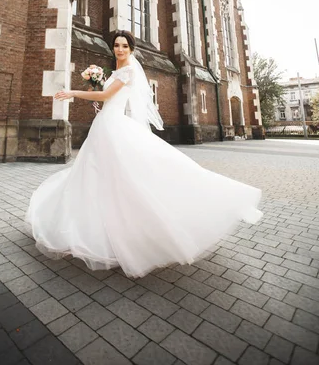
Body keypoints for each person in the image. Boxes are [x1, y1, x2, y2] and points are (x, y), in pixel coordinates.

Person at [25, 30, 262, 279]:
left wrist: (74, 93)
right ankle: (96, 228)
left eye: (124, 46)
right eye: (116, 45)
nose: (119, 49)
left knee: (124, 176)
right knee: (97, 176)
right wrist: (96, 89)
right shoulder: (117, 71)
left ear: (131, 49)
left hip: (113, 126)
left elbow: (107, 96)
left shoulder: (127, 71)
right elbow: (107, 98)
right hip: (105, 124)